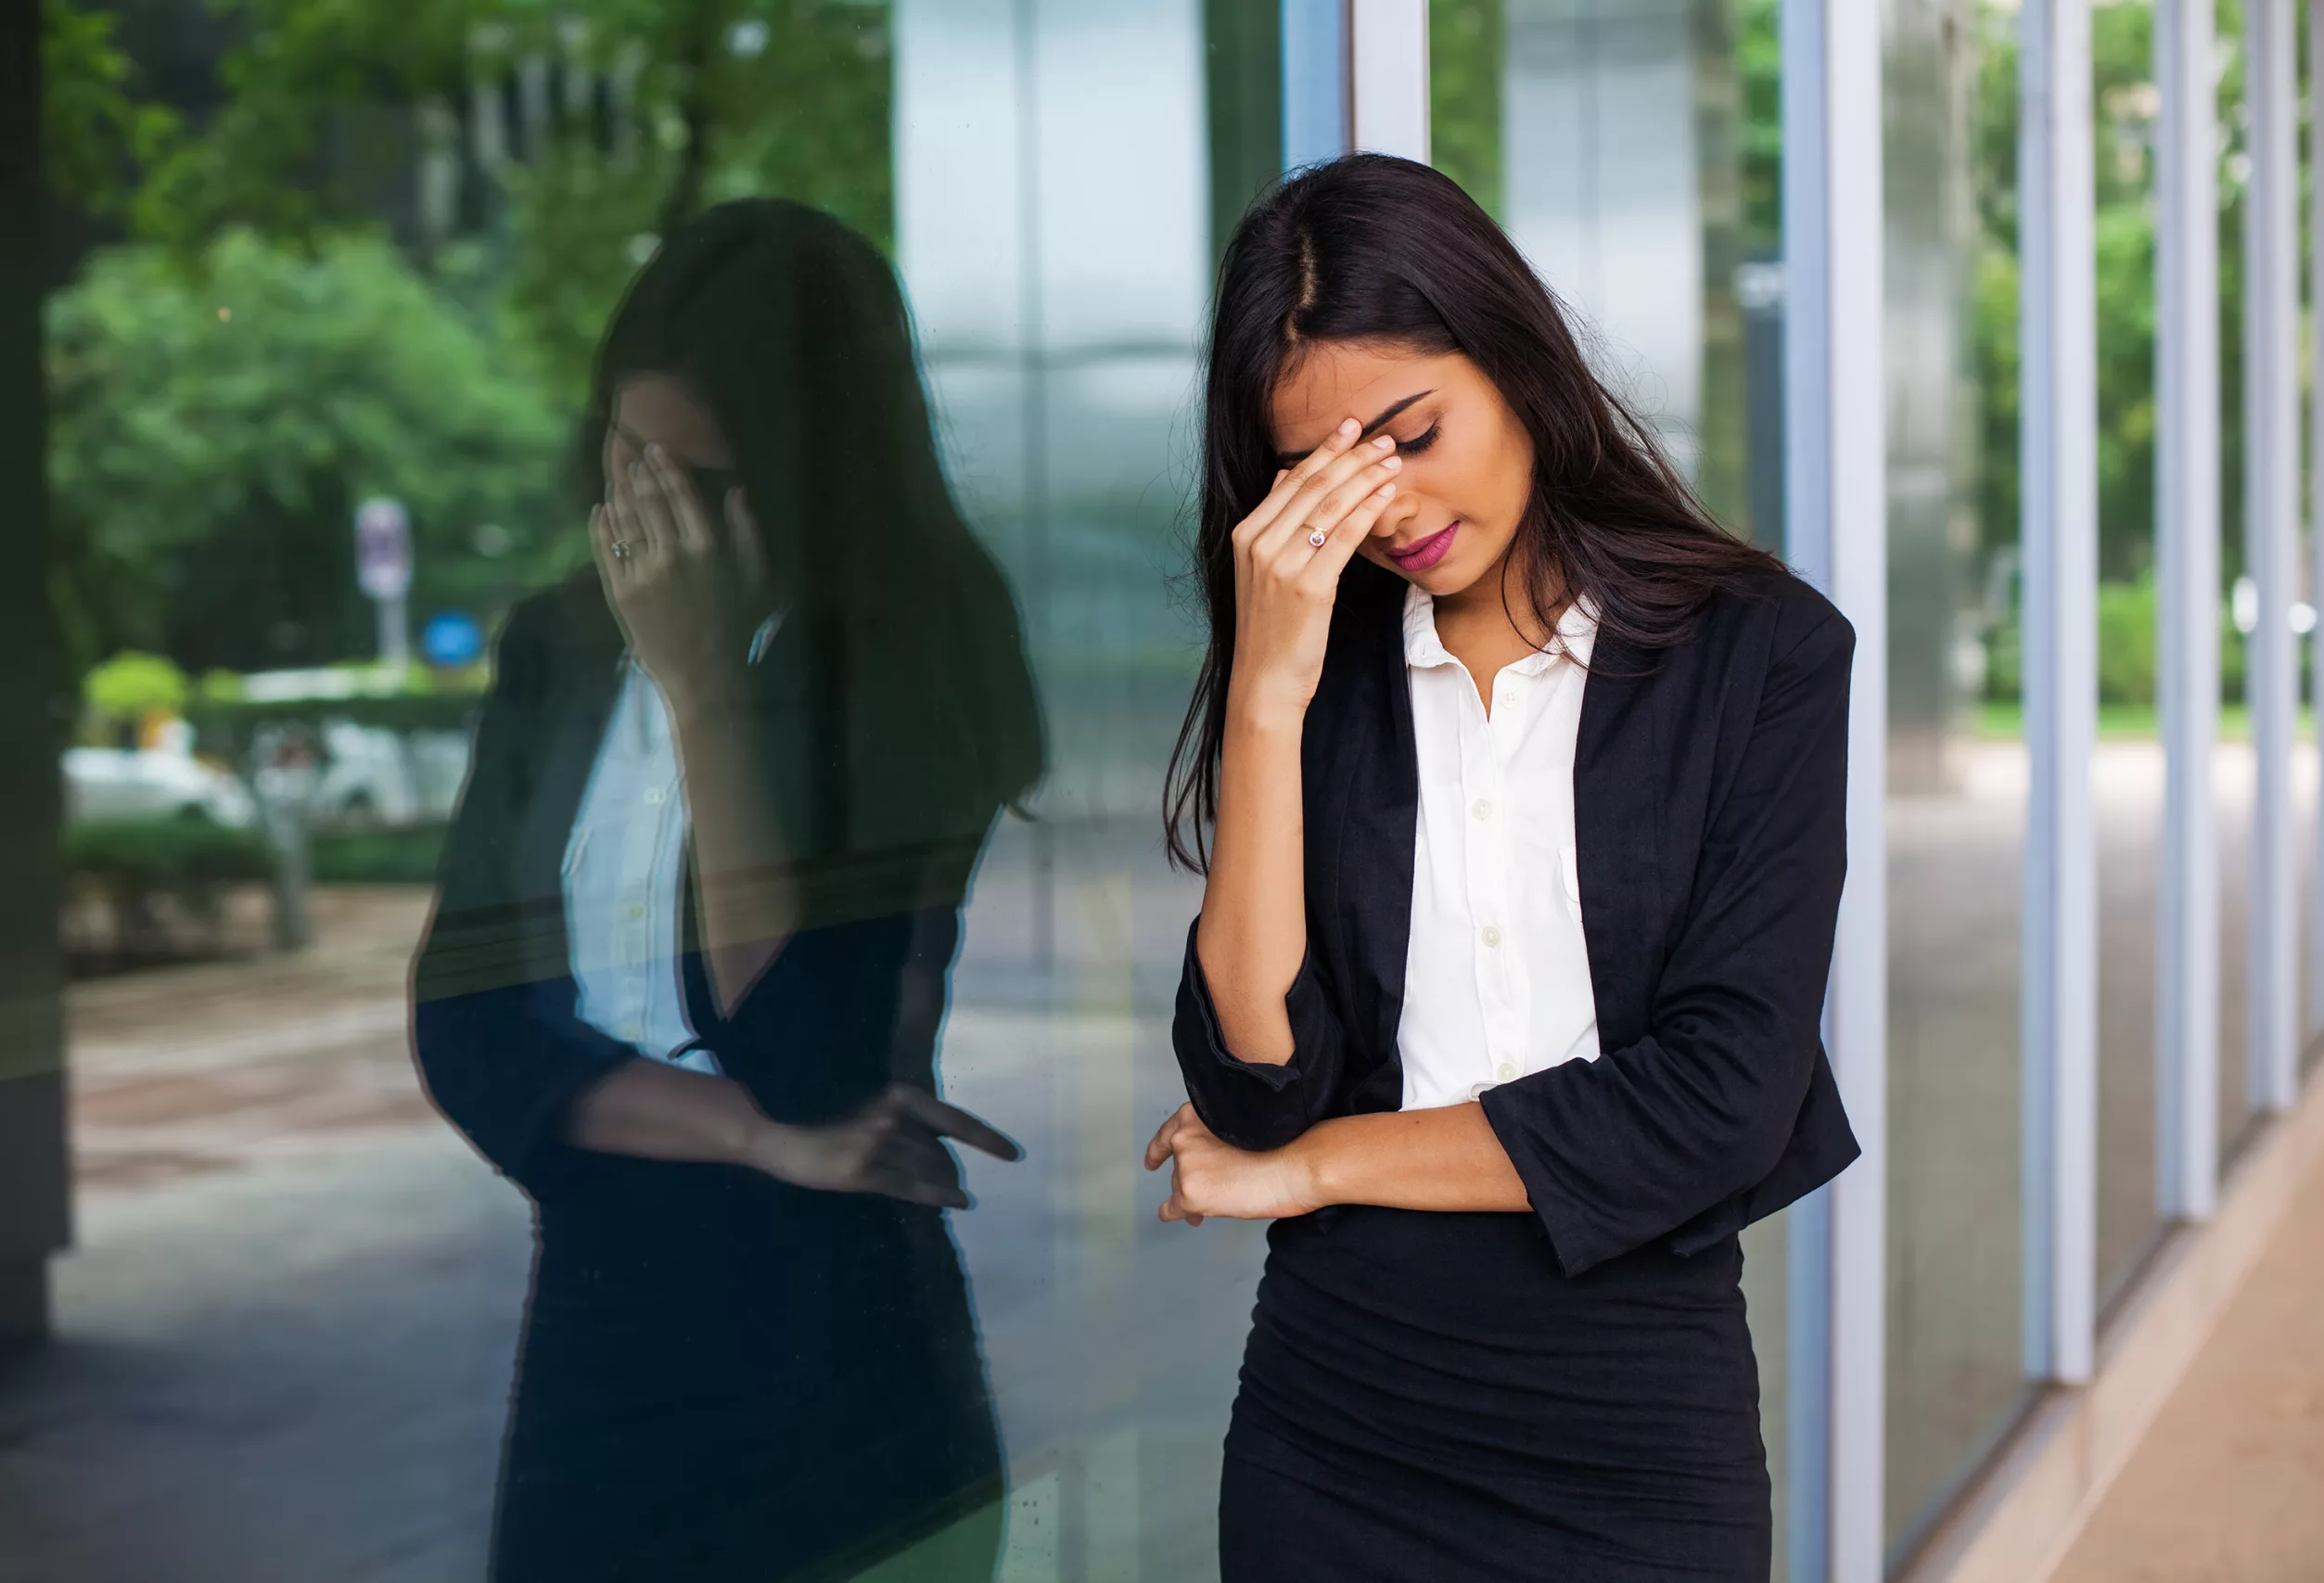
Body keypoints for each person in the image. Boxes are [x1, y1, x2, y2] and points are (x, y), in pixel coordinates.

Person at [1143, 154, 1860, 1582]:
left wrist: (1319, 1166)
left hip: (1631, 1423)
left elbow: (1720, 1098)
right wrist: (1266, 695)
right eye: (1322, 475)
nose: (1386, 506)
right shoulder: (1321, 678)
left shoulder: (1762, 659)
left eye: (1410, 432)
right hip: (1334, 1418)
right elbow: (1255, 1074)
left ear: (1515, 360)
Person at [412, 199, 1043, 1583]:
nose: (654, 524)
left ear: (813, 473)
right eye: (628, 464)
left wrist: (704, 694)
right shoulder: (555, 646)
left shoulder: (915, 646)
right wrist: (759, 1138)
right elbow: (468, 1028)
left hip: (834, 1358)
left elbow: (807, 1059)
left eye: (700, 484)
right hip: (599, 1330)